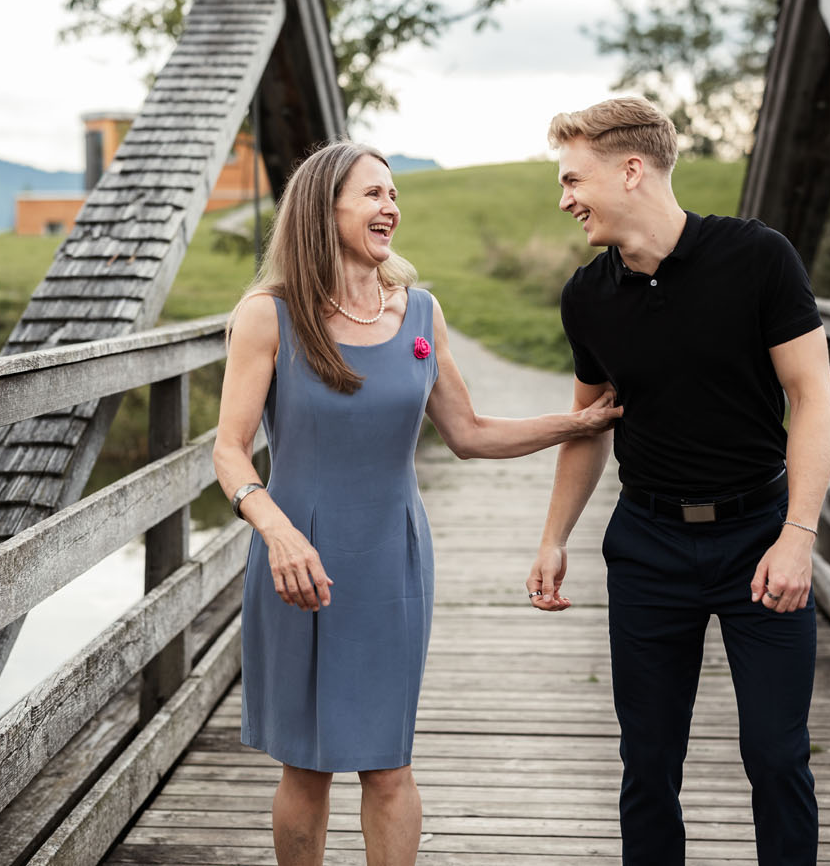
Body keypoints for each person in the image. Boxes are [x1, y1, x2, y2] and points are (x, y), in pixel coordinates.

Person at [213, 140, 621, 866]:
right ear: (322, 207)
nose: (390, 208)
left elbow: (468, 433)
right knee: (305, 766)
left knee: (388, 763)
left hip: (392, 557)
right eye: (372, 195)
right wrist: (274, 530)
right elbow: (229, 450)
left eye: (393, 194)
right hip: (295, 554)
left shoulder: (421, 315)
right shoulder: (267, 316)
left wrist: (578, 423)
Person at [526, 97, 830, 866]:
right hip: (649, 546)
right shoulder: (586, 296)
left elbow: (813, 398)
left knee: (776, 753)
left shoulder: (759, 257)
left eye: (573, 180)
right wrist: (554, 538)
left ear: (632, 170)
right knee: (649, 760)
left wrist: (798, 535)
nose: (564, 199)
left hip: (762, 537)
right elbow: (588, 425)